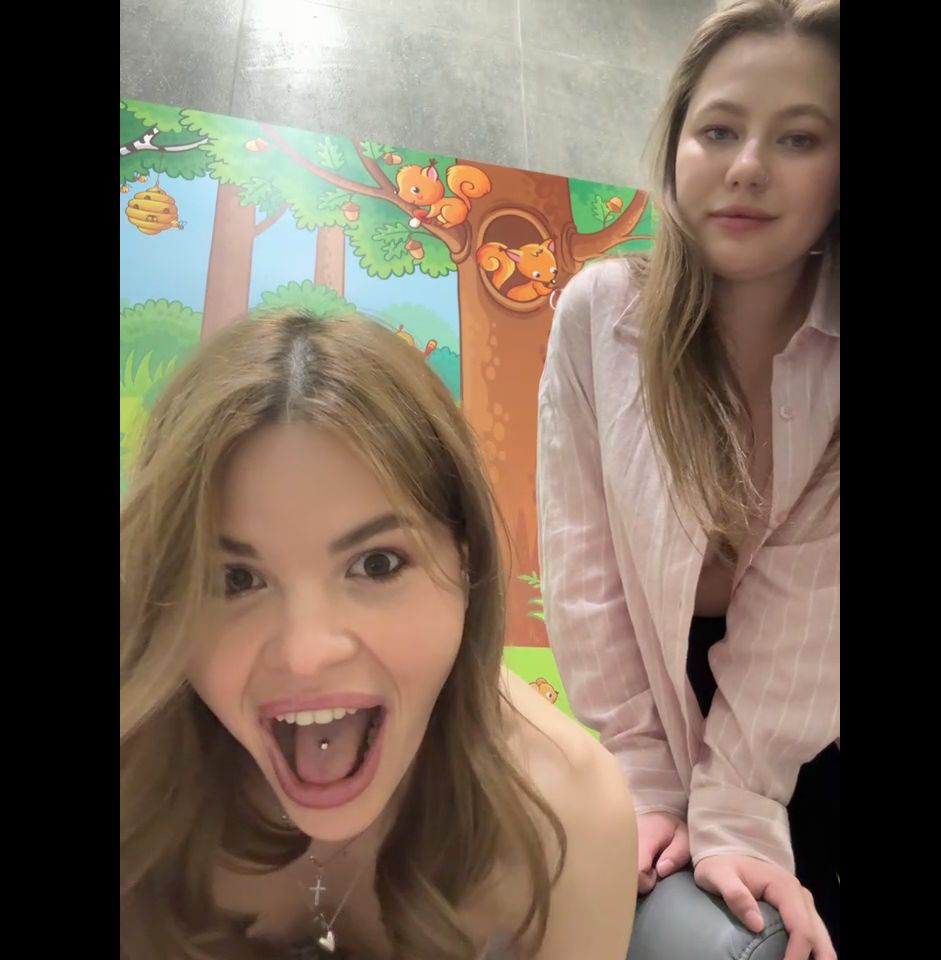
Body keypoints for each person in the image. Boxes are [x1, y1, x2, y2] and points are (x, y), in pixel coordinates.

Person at [120, 309, 637, 960]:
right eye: (235, 580)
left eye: (376, 564)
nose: (306, 654)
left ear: (466, 567)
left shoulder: (568, 812)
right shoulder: (135, 767)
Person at [537, 2, 840, 958]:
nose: (748, 165)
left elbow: (811, 610)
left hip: (809, 706)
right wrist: (638, 774)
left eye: (799, 138)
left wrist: (739, 807)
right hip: (642, 693)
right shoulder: (598, 316)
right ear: (675, 145)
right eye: (719, 129)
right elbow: (584, 569)